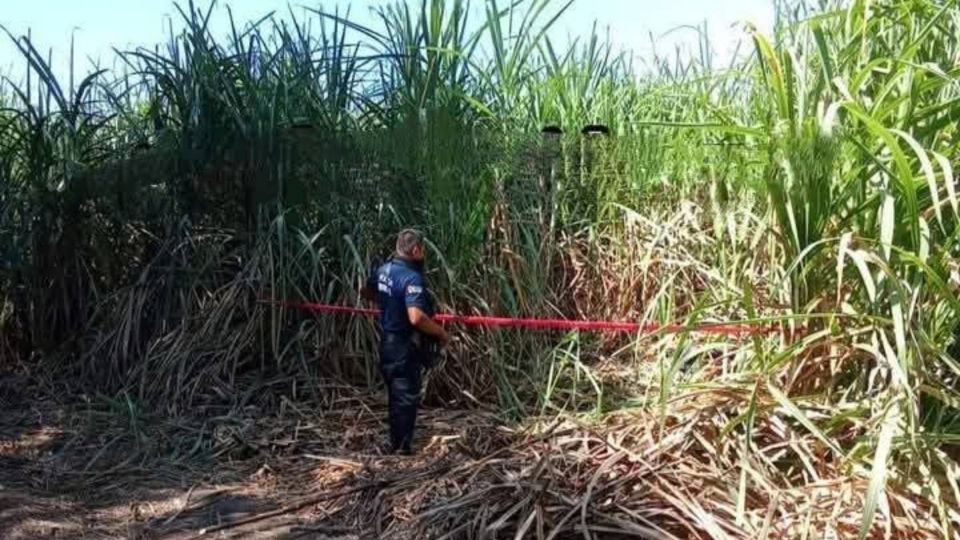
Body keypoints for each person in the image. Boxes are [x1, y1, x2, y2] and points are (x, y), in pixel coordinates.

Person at [361, 229, 450, 455]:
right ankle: (401, 448)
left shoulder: (384, 270)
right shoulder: (412, 278)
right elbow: (416, 317)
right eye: (424, 251)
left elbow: (366, 290)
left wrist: (389, 304)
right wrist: (440, 332)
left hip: (387, 342)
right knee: (405, 395)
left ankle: (397, 441)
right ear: (416, 250)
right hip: (403, 345)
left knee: (395, 393)